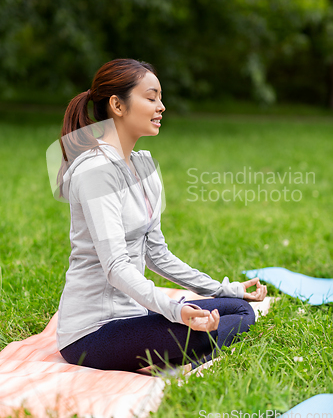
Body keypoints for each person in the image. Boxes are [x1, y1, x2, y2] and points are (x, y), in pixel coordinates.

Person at [55, 58, 267, 373]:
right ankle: (190, 352)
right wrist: (173, 310)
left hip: (133, 318)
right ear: (117, 105)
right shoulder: (95, 171)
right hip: (91, 335)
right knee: (202, 335)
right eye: (151, 97)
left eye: (160, 98)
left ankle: (186, 347)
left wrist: (227, 289)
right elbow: (115, 267)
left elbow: (158, 254)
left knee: (240, 310)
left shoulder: (143, 166)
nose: (162, 106)